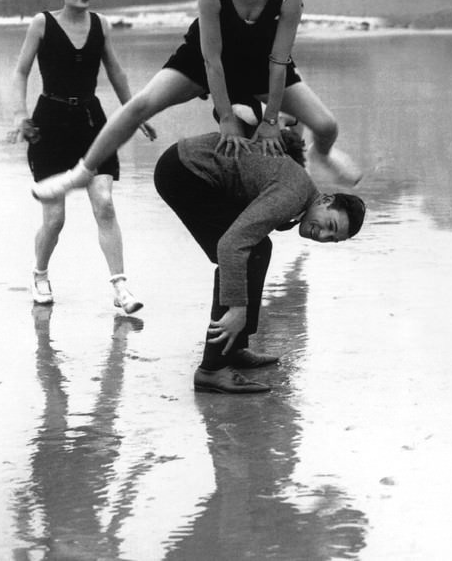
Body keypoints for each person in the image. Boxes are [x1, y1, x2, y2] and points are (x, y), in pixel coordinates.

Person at [32, 0, 361, 202]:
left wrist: (273, 120)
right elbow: (211, 58)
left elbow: (280, 59)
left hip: (260, 64)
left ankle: (321, 155)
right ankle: (81, 173)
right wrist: (227, 120)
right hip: (203, 60)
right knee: (139, 106)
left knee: (327, 125)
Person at [153, 124, 366, 394]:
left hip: (191, 168)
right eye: (330, 226)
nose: (322, 235)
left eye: (331, 239)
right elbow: (231, 244)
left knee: (258, 248)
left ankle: (234, 349)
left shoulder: (300, 197)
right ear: (325, 200)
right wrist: (237, 309)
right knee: (248, 251)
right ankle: (212, 369)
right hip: (184, 171)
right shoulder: (291, 196)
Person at [8, 0, 156, 311]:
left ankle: (120, 288)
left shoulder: (101, 25)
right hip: (50, 123)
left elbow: (117, 72)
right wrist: (19, 114)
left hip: (92, 122)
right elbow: (20, 71)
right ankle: (40, 274)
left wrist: (136, 113)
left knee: (104, 203)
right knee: (55, 218)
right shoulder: (42, 23)